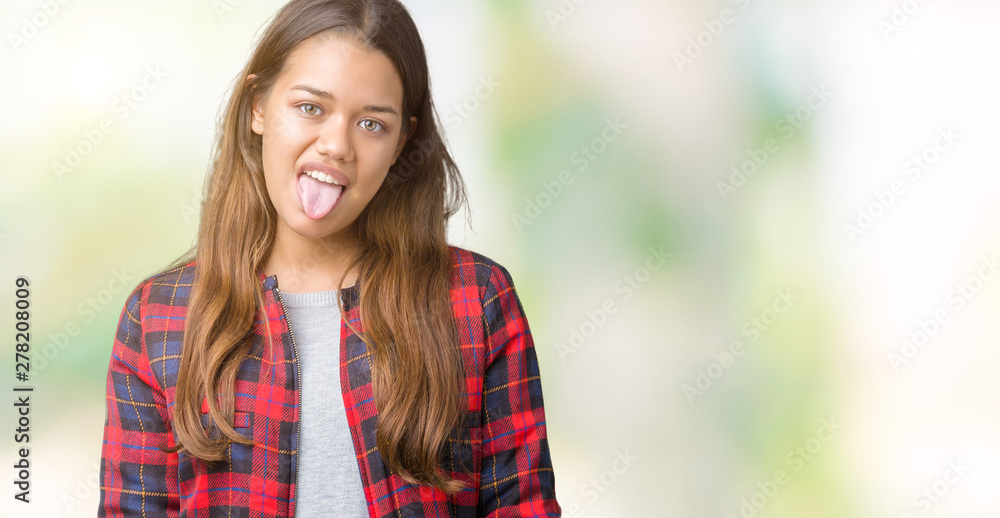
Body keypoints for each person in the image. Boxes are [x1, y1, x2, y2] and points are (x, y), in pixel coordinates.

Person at [96, 0, 561, 516]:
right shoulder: (160, 317)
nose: (336, 145)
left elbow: (524, 507)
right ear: (258, 107)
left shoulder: (476, 300)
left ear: (401, 142)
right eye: (310, 108)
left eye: (371, 124)